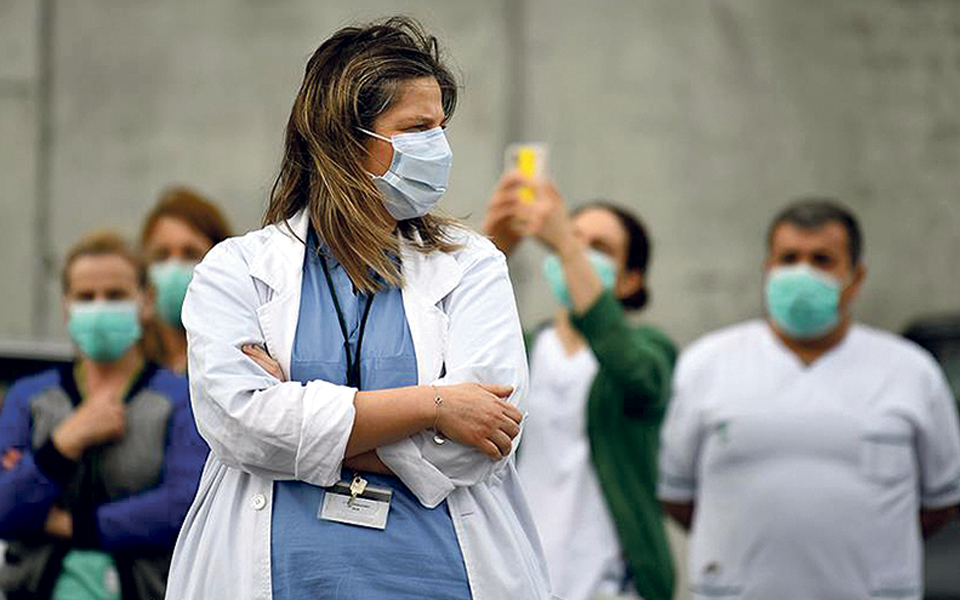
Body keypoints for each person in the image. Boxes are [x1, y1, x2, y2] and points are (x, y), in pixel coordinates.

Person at [164, 17, 553, 600]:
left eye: (441, 127)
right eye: (417, 128)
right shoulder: (236, 269)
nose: (439, 148)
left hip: (444, 580)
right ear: (345, 140)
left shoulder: (473, 264)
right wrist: (434, 405)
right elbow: (240, 427)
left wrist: (295, 416)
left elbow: (482, 445)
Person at [658, 198, 960, 600]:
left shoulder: (911, 372)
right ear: (768, 269)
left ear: (856, 277)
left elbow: (939, 504)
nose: (802, 273)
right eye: (789, 258)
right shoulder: (705, 365)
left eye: (822, 260)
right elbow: (677, 496)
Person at [484, 173, 676, 600]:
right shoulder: (520, 349)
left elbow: (638, 376)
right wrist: (492, 248)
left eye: (599, 247)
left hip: (610, 585)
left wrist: (567, 246)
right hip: (519, 579)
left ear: (630, 280)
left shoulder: (651, 349)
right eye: (574, 237)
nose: (579, 251)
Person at [0, 232, 208, 600]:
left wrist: (69, 523)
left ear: (146, 301)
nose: (99, 308)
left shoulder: (181, 399)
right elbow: (4, 504)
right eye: (85, 297)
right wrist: (64, 443)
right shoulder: (29, 397)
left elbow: (183, 507)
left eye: (115, 295)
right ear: (66, 306)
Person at [140, 186, 232, 373]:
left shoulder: (242, 360)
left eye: (190, 254)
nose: (174, 268)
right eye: (162, 255)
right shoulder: (130, 366)